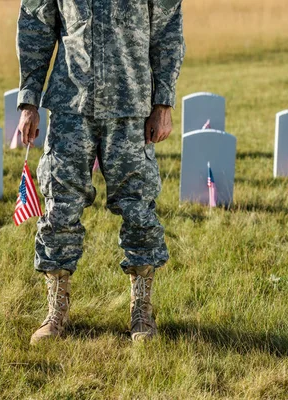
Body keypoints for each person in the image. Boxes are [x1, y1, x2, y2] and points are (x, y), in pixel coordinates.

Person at [16, 0, 185, 343]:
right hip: (70, 105)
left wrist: (163, 102)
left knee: (139, 209)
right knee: (59, 208)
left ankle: (142, 310)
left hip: (131, 107)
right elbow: (35, 27)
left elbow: (167, 29)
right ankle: (56, 311)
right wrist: (29, 102)